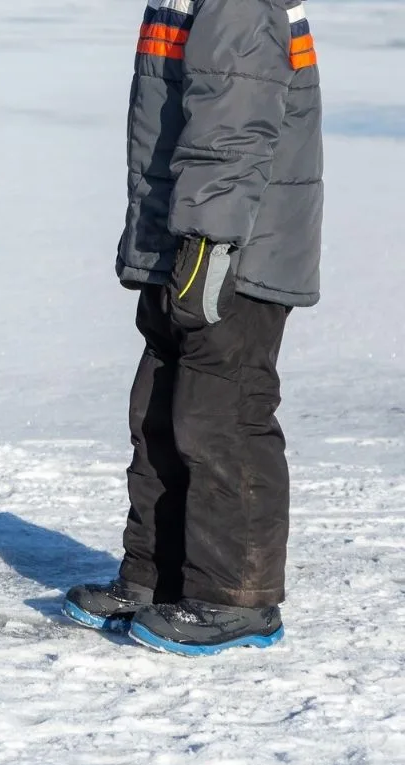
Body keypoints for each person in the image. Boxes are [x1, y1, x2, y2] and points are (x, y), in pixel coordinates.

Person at [63, 0, 323, 655]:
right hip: (176, 244)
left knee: (221, 417)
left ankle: (236, 596)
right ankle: (157, 576)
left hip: (232, 252)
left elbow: (234, 125)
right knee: (157, 409)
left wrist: (209, 243)